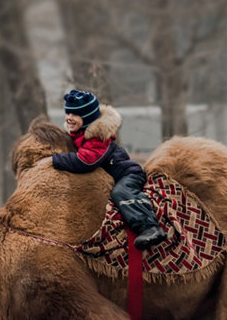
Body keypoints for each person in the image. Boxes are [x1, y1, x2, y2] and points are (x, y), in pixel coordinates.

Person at [51, 90, 167, 251]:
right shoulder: (77, 135)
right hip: (109, 178)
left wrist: (55, 159)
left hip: (126, 175)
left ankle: (149, 227)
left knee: (121, 192)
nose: (69, 117)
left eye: (75, 114)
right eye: (68, 112)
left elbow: (85, 162)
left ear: (88, 117)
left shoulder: (97, 138)